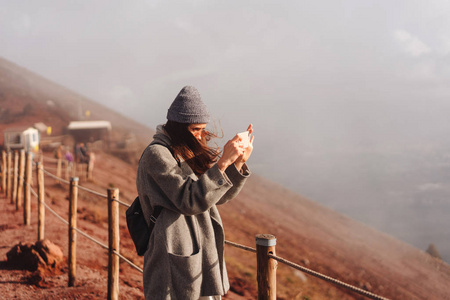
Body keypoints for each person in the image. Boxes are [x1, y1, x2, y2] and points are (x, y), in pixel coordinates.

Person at [136, 86, 254, 300]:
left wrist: (237, 164)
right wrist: (223, 163)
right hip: (172, 251)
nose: (201, 135)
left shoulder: (185, 151)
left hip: (199, 249)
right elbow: (190, 200)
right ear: (179, 127)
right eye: (196, 129)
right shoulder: (157, 154)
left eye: (202, 129)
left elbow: (212, 197)